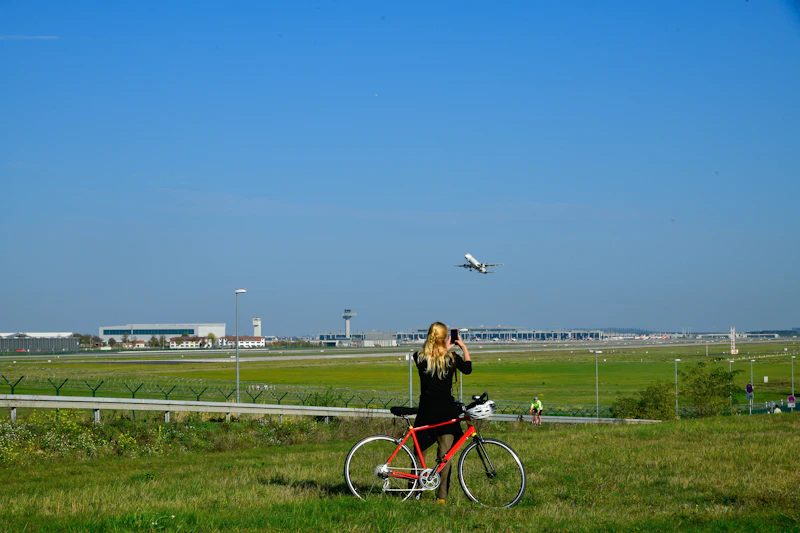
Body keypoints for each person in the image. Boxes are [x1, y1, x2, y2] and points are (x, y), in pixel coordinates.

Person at [413, 322, 472, 504]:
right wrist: (462, 346)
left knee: (418, 454)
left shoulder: (419, 357)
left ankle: (416, 490)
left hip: (426, 412)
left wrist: (441, 347)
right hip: (446, 413)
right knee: (445, 456)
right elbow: (468, 368)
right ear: (446, 337)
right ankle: (442, 496)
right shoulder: (452, 359)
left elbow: (429, 355)